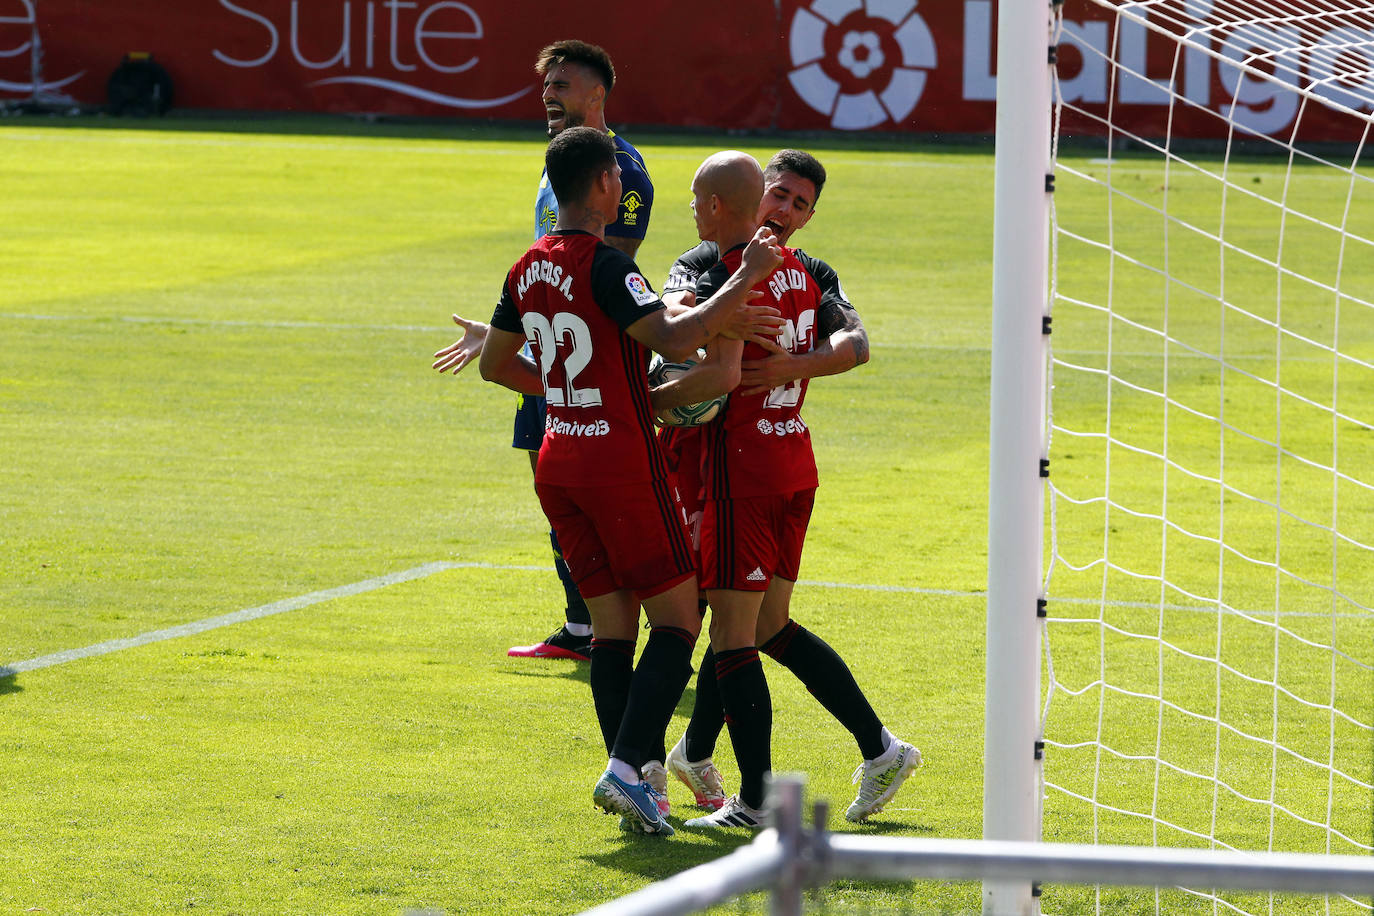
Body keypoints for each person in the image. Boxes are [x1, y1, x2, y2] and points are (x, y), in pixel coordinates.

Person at [476, 127, 784, 834]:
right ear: (607, 188)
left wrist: (568, 396)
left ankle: (638, 784)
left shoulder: (525, 266)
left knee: (612, 628)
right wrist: (744, 277)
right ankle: (624, 770)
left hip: (558, 460)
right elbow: (676, 343)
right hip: (618, 462)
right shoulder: (609, 265)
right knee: (678, 619)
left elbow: (495, 364)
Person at [650, 150, 919, 829]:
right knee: (761, 625)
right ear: (755, 192)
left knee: (733, 632)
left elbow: (853, 344)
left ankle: (753, 799)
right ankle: (875, 749)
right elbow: (674, 305)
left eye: (801, 204)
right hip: (786, 462)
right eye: (780, 194)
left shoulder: (759, 270)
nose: (786, 210)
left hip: (743, 467)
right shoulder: (759, 269)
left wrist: (773, 363)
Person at [433, 39, 653, 662]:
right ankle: (582, 626)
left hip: (582, 363)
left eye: (561, 84)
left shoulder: (622, 168)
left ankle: (621, 627)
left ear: (597, 95)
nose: (548, 94)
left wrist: (536, 341)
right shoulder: (561, 161)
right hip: (552, 350)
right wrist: (509, 331)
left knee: (589, 497)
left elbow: (604, 278)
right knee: (550, 488)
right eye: (545, 85)